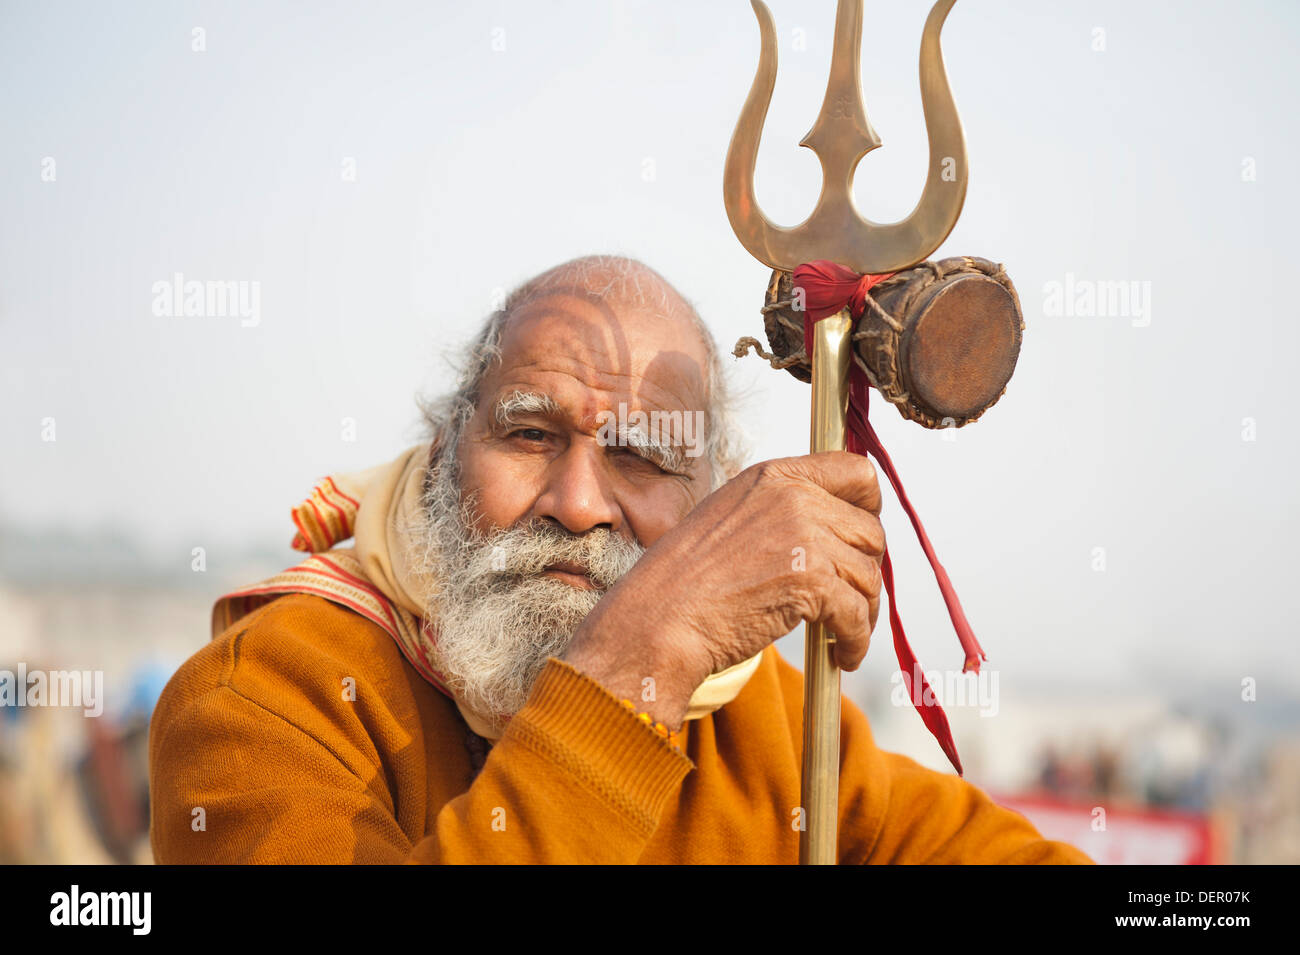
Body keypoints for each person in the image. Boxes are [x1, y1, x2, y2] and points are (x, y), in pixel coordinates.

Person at [148, 254, 1092, 864]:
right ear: (442, 456)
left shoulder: (764, 722)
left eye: (643, 456)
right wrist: (644, 650)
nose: (581, 502)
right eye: (528, 434)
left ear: (706, 502)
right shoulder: (266, 693)